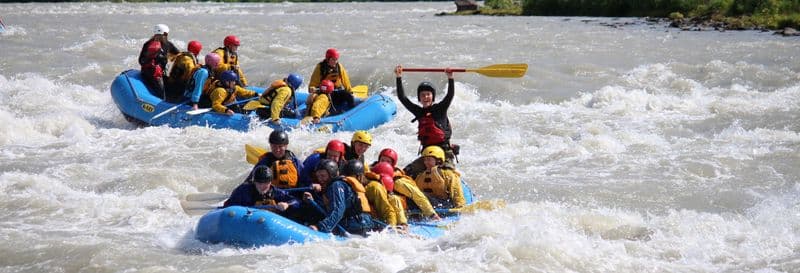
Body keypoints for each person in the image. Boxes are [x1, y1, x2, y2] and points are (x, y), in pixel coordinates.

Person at [394, 64, 459, 178]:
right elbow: (402, 98)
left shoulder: (440, 109)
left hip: (444, 152)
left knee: (448, 175)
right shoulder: (419, 112)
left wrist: (450, 78)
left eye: (428, 94)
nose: (426, 97)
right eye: (423, 95)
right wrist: (398, 77)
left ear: (432, 97)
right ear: (419, 98)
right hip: (427, 153)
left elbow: (449, 95)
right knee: (405, 173)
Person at [303, 159, 374, 236]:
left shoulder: (337, 185)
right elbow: (331, 210)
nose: (320, 179)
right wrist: (312, 202)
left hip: (357, 226)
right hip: (360, 224)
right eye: (318, 176)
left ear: (332, 174)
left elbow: (338, 210)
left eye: (323, 176)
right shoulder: (334, 186)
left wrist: (320, 227)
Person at [375, 148, 441, 221]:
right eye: (382, 160)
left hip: (416, 203)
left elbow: (416, 194)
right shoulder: (373, 171)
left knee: (395, 198)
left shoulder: (398, 181)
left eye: (388, 161)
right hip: (393, 203)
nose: (385, 163)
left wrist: (431, 214)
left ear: (392, 164)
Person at [222, 165, 300, 217]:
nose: (262, 186)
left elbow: (296, 201)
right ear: (254, 181)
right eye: (259, 183)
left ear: (270, 182)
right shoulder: (243, 191)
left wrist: (287, 204)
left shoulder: (276, 192)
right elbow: (228, 206)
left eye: (266, 183)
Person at [138, 24, 179, 99]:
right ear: (165, 34)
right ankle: (162, 102)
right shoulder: (166, 44)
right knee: (162, 94)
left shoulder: (148, 44)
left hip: (151, 72)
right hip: (154, 74)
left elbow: (140, 61)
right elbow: (178, 54)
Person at [367, 161, 408, 227]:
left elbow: (388, 210)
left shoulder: (392, 194)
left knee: (394, 199)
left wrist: (401, 224)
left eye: (388, 161)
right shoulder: (375, 187)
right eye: (382, 159)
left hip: (383, 214)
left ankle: (403, 224)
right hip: (373, 214)